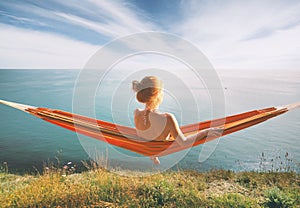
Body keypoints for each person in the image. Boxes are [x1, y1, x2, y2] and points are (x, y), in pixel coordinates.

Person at [132, 76, 223, 165]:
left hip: (147, 147)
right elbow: (184, 142)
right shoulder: (167, 118)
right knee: (170, 131)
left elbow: (147, 131)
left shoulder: (136, 113)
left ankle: (153, 155)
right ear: (157, 94)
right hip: (158, 149)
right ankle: (154, 155)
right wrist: (206, 132)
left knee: (159, 133)